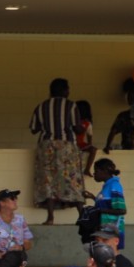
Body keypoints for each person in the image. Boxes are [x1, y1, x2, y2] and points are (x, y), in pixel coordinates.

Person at [28, 78, 83, 225]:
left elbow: (34, 129)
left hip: (46, 146)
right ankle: (83, 216)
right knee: (72, 180)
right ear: (65, 90)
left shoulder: (41, 106)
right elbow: (77, 128)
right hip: (66, 146)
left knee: (48, 181)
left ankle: (50, 217)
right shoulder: (71, 106)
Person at [82, 158, 126, 251]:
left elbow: (121, 210)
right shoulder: (106, 186)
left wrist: (99, 211)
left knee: (109, 255)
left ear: (105, 171)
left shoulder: (114, 185)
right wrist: (93, 197)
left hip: (110, 231)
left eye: (96, 171)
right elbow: (106, 204)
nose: (94, 174)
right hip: (103, 229)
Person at [76, 100, 97, 175]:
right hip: (71, 144)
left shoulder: (87, 123)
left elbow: (89, 137)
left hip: (80, 144)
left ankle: (87, 169)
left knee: (93, 149)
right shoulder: (72, 121)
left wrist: (89, 146)